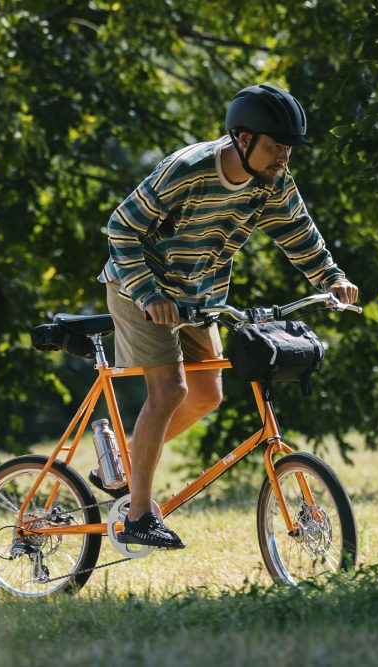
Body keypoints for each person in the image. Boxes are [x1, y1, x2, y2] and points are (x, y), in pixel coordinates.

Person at [95, 83, 359, 549]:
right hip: (142, 288)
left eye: (288, 149)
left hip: (200, 295)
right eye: (275, 146)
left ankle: (121, 464)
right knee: (170, 389)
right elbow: (121, 226)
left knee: (206, 394)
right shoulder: (189, 169)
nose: (283, 157)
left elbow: (296, 230)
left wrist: (330, 278)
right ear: (242, 140)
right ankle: (138, 516)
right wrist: (149, 292)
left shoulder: (271, 180)